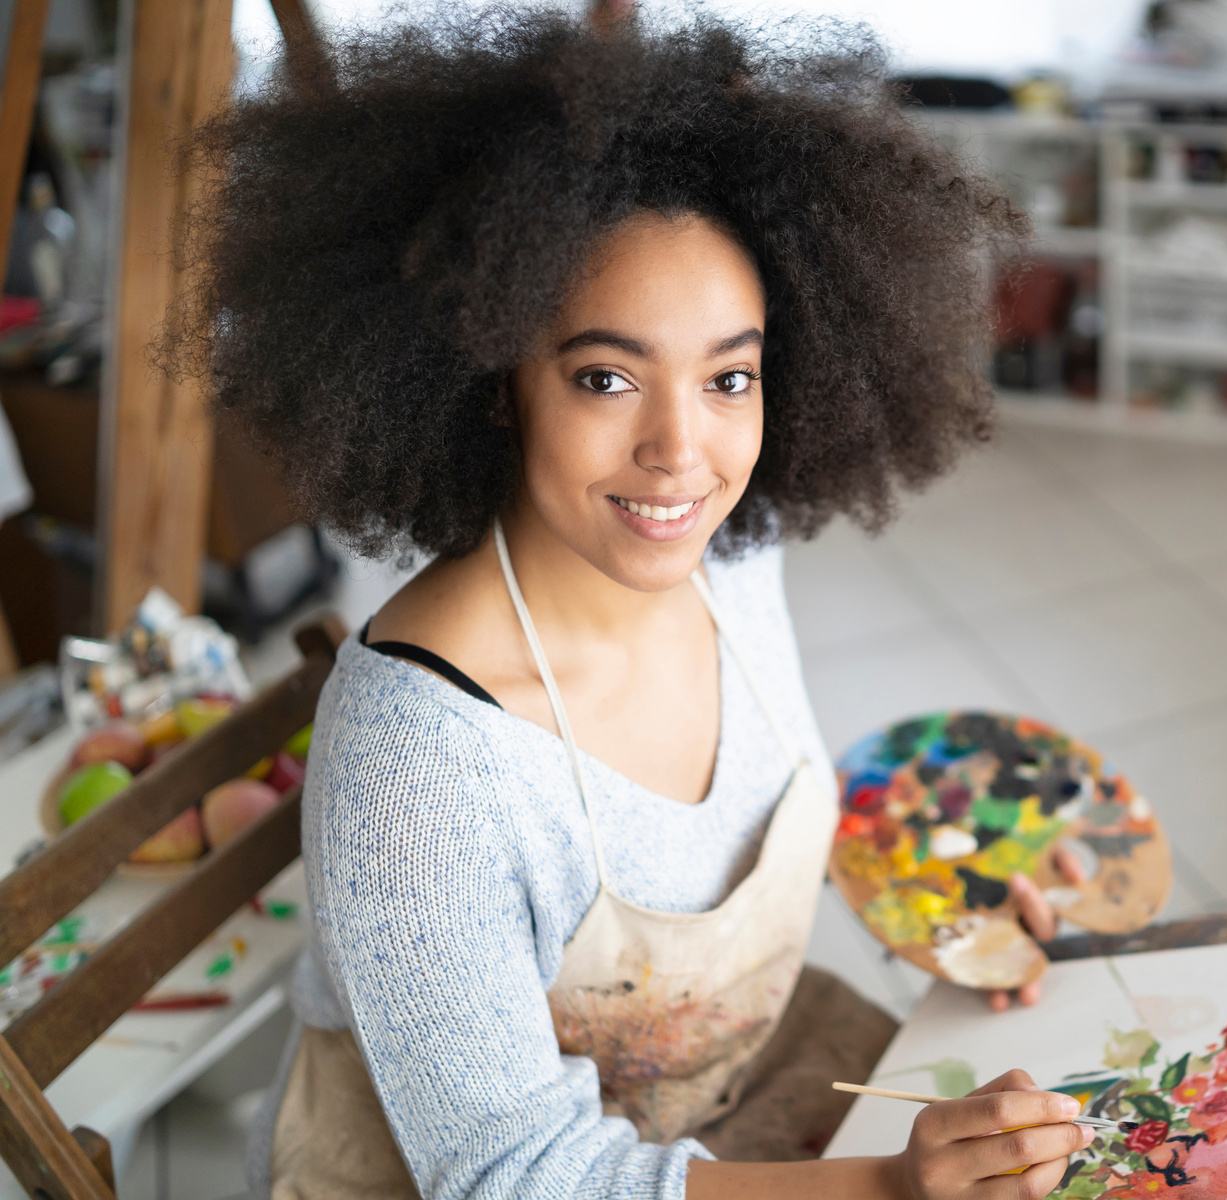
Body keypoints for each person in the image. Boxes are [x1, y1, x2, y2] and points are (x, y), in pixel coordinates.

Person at [163, 9, 1095, 1200]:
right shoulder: (418, 756)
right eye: (606, 377)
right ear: (497, 382)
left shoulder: (733, 557)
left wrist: (944, 899)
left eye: (729, 377)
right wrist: (884, 1191)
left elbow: (738, 830)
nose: (680, 452)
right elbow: (512, 1174)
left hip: (749, 1093)